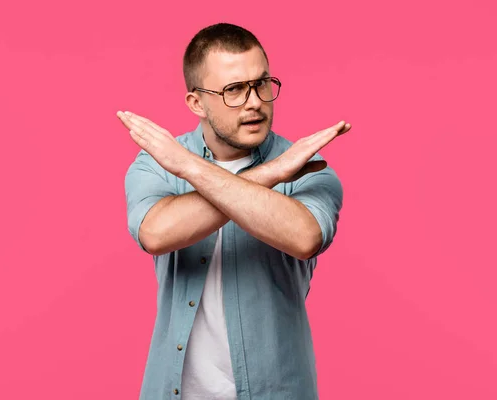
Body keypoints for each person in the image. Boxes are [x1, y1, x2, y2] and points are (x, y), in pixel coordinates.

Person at [117, 22, 350, 400]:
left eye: (261, 84)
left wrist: (190, 168)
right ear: (196, 103)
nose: (255, 101)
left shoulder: (306, 165)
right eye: (234, 90)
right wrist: (271, 173)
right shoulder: (159, 163)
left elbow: (305, 237)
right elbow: (155, 234)